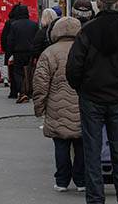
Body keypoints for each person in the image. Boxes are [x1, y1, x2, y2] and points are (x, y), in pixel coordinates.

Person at [66, 0, 118, 204]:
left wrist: (81, 88)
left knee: (92, 148)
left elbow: (74, 67)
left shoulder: (87, 31)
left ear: (98, 2)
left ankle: (95, 202)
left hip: (92, 97)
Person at [33, 17, 86, 193]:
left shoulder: (49, 53)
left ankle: (62, 180)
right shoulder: (85, 49)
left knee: (61, 144)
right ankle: (81, 180)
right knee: (81, 145)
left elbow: (40, 82)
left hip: (56, 105)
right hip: (82, 104)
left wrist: (39, 106)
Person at [0, 4, 38, 103]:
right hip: (30, 52)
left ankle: (22, 92)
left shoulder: (14, 25)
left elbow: (10, 40)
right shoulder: (33, 24)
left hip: (18, 52)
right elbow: (36, 40)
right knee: (29, 72)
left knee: (18, 72)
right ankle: (30, 91)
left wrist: (9, 53)